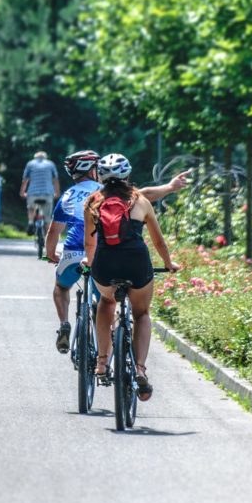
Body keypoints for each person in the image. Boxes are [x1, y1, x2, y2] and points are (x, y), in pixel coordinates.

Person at [47, 151, 189, 355]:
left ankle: (65, 324)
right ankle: (115, 349)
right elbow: (145, 195)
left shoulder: (72, 196)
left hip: (77, 255)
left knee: (62, 287)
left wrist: (51, 254)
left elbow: (54, 231)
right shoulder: (113, 193)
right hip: (114, 256)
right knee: (108, 304)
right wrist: (170, 187)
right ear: (93, 171)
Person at [82, 153, 180, 402]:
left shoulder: (92, 202)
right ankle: (139, 369)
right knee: (141, 314)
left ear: (100, 177)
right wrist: (168, 264)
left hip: (105, 264)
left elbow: (89, 243)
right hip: (136, 264)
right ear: (127, 175)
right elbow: (158, 240)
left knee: (106, 302)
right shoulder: (141, 201)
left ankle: (102, 363)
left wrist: (90, 263)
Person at [20, 151, 59, 235]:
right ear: (45, 157)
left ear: (35, 157)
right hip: (48, 193)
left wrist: (22, 192)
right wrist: (57, 193)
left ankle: (30, 223)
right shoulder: (50, 164)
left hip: (32, 193)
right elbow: (55, 179)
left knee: (31, 209)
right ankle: (47, 238)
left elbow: (25, 179)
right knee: (47, 218)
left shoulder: (30, 164)